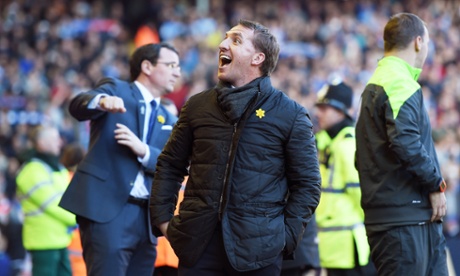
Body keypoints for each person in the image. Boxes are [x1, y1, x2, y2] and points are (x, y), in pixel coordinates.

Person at [150, 19, 321, 275]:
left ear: (257, 58)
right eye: (226, 37)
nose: (222, 44)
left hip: (259, 254)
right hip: (198, 248)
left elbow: (307, 184)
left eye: (236, 40)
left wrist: (283, 238)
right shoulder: (197, 106)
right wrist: (164, 221)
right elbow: (170, 165)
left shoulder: (291, 113)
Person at [59, 42, 181, 276]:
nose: (178, 72)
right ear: (147, 66)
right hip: (108, 209)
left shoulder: (169, 117)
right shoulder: (117, 89)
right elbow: (77, 105)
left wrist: (143, 150)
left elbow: (173, 165)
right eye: (171, 65)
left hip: (146, 221)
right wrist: (102, 101)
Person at [355, 13, 448, 275]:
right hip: (404, 222)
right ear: (418, 42)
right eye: (428, 43)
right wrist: (436, 184)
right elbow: (405, 142)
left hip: (410, 219)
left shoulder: (381, 80)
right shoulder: (398, 81)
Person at [314, 80, 375, 276]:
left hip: (348, 249)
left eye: (324, 108)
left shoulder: (347, 145)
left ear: (340, 111)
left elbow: (360, 195)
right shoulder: (325, 142)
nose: (318, 113)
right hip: (333, 247)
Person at [15, 125, 76, 276]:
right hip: (43, 242)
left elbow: (71, 197)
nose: (59, 142)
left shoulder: (57, 167)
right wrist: (79, 218)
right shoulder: (32, 171)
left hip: (60, 240)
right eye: (54, 139)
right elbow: (55, 204)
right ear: (41, 143)